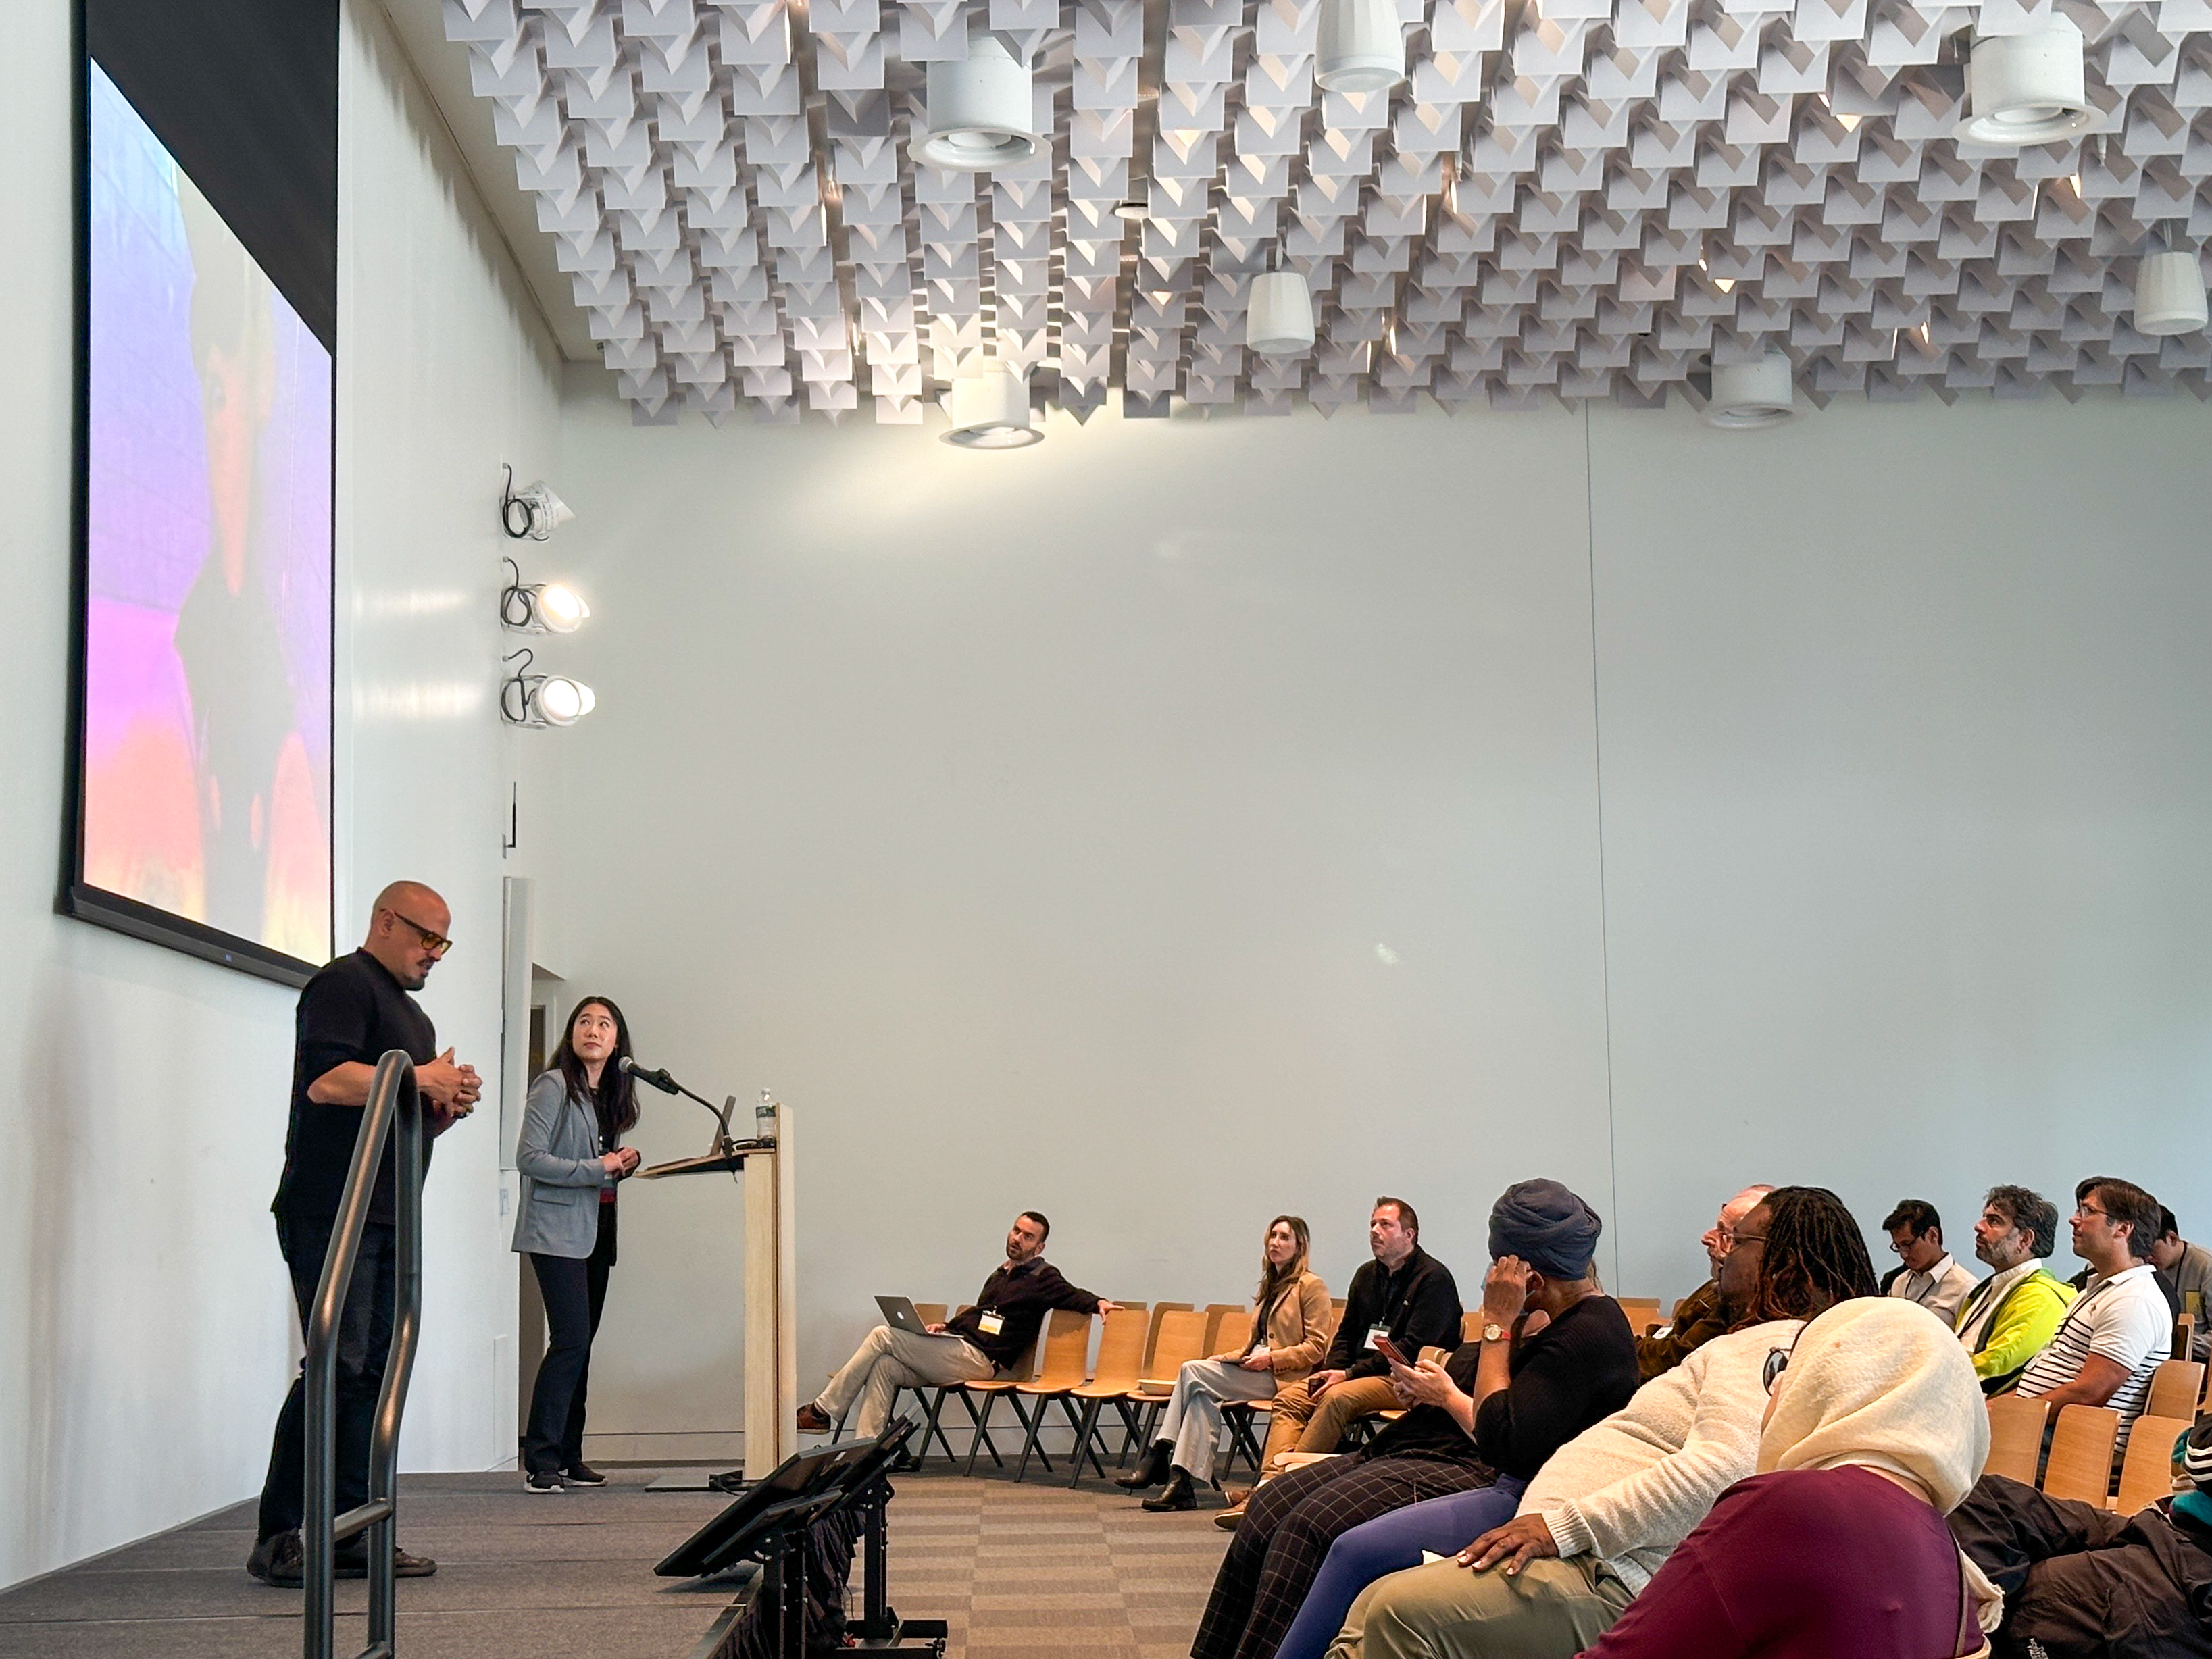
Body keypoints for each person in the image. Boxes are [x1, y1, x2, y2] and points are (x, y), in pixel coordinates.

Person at [1318, 1185, 1881, 1659]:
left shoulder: (1769, 1347)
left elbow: (1722, 1469)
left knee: (1390, 1602)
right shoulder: (1748, 1342)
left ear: (1784, 1260)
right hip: (1589, 1550)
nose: (1720, 1250)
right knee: (1372, 1605)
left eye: (1739, 1239)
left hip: (1612, 1570)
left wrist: (1562, 1527)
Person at [1190, 1181, 1637, 1659]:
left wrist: (1494, 1324)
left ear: (1529, 1273)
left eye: (1501, 1264)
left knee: (1315, 1528)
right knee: (1269, 1505)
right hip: (1424, 1441)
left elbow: (1501, 1434)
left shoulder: (1585, 1333)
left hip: (1496, 1475)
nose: (1492, 1276)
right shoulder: (1541, 1315)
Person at [246, 883, 482, 1587]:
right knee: (331, 1369)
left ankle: (351, 1527)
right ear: (385, 920)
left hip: (386, 1213)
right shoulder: (344, 984)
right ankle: (279, 1532)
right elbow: (327, 1080)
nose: (434, 953)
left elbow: (399, 1107)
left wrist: (443, 1101)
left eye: (443, 942)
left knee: (370, 1377)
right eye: (425, 936)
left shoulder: (411, 1014)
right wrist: (422, 1073)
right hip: (331, 1207)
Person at [1574, 1298, 1998, 1659]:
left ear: (1829, 1380)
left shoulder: (1794, 1506)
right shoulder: (1950, 1555)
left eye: (1790, 1366)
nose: (1776, 1384)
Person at [1221, 1199, 1461, 1525]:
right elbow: (1346, 1336)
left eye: (1385, 1225)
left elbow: (1409, 1349)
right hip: (1357, 1373)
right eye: (1373, 1225)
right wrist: (1332, 1370)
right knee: (1291, 1398)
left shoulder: (1434, 1279)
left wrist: (1347, 1375)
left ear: (1409, 1235)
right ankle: (1270, 1486)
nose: (1375, 1232)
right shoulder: (1366, 1276)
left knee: (1337, 1398)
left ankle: (1275, 1494)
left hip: (1407, 1380)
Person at [796, 1211, 1118, 1439]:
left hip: (981, 1360)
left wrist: (1099, 1302)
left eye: (1028, 1236)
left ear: (1040, 1247)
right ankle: (867, 1449)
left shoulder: (1043, 1277)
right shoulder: (999, 1274)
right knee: (884, 1366)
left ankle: (823, 1410)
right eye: (1016, 1231)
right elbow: (980, 1315)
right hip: (959, 1349)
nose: (1018, 1239)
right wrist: (947, 1326)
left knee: (882, 1336)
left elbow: (1072, 1294)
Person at [513, 997, 644, 1494]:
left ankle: (570, 1455)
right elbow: (529, 1158)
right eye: (584, 1022)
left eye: (604, 1024)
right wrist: (601, 1168)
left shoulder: (606, 1096)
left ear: (617, 1041)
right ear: (571, 1034)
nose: (593, 1030)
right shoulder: (553, 1087)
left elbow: (595, 1165)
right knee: (569, 1340)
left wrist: (620, 1166)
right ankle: (541, 1461)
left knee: (582, 1344)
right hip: (554, 1231)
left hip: (596, 1227)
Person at [1949, 1416, 2212, 1659]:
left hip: (2181, 1576)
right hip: (2174, 1526)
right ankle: (1975, 1625)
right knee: (1969, 1495)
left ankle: (1974, 1629)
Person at [1119, 1216, 1332, 1511]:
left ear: (1300, 1246)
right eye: (1273, 1236)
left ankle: (1159, 1452)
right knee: (1201, 1397)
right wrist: (1226, 1358)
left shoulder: (1311, 1285)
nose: (1276, 1243)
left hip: (1286, 1378)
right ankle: (1182, 1483)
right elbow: (1254, 1344)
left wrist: (1271, 1358)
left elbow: (1317, 1347)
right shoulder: (1271, 1285)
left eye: (1285, 1237)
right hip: (1256, 1369)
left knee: (1190, 1370)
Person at [2017, 1176, 2171, 1448]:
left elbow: (2090, 1393)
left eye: (2088, 1211)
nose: (2073, 1220)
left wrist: (2014, 1416)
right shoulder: (2097, 1289)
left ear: (2122, 1229)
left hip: (2074, 1445)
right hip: (2044, 1429)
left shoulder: (2134, 1299)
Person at [1636, 1185, 1771, 1380]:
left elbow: (1673, 1360)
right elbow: (1668, 1336)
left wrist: (1624, 1347)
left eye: (1725, 1234)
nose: (1706, 1238)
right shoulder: (1716, 1286)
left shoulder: (1741, 1306)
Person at [1953, 1185, 2075, 1393]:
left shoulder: (2041, 1297)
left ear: (2025, 1240)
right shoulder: (1987, 1288)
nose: (1979, 1226)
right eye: (1984, 1218)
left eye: (1994, 1221)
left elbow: (1998, 1367)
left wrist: (1938, 1379)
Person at [1882, 1199, 1980, 1323]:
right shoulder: (1900, 1282)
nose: (1903, 1254)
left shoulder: (1965, 1288)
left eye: (1908, 1244)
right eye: (1898, 1247)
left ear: (1933, 1235)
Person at [2148, 1208, 2212, 1362]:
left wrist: (2177, 1344)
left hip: (2197, 1362)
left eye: (2152, 1249)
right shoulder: (2146, 1267)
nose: (2148, 1257)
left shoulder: (2206, 1266)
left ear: (2172, 1238)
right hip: (2158, 1357)